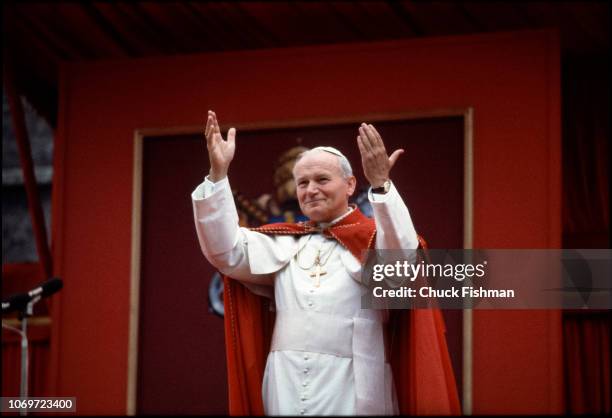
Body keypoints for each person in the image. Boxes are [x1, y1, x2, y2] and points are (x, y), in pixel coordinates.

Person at [192, 110, 460, 416]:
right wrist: (217, 176)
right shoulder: (282, 241)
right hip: (286, 380)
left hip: (355, 380)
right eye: (302, 182)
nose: (311, 190)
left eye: (322, 179)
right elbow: (225, 252)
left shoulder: (374, 239)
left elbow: (401, 266)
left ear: (349, 185)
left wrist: (382, 186)